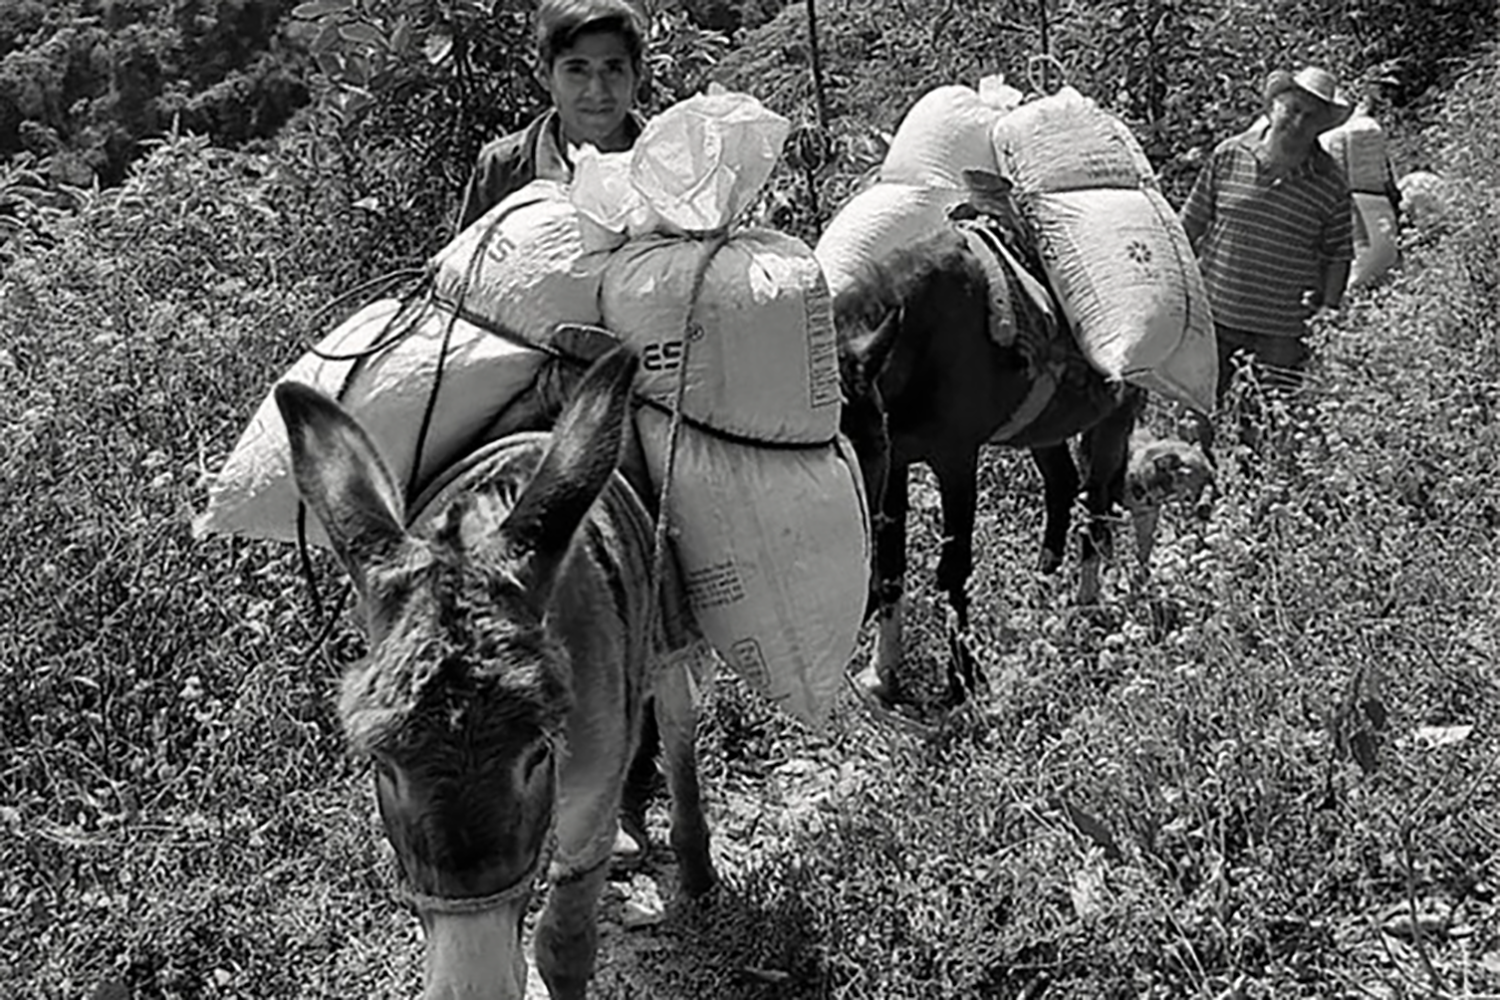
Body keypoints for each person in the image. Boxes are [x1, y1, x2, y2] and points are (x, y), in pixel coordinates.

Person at [1180, 65, 1356, 409]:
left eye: (1311, 116)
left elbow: (1339, 252)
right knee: (1197, 408)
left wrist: (1328, 310)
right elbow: (1191, 221)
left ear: (1322, 125)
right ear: (1274, 106)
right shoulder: (1230, 154)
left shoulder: (1330, 181)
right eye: (1293, 109)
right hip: (1215, 314)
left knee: (1267, 420)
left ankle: (1253, 463)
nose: (1298, 122)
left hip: (1283, 328)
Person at [454, 0, 649, 234]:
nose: (597, 90)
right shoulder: (504, 169)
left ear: (637, 74)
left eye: (613, 68)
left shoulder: (673, 165)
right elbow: (466, 263)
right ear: (545, 75)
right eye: (577, 69)